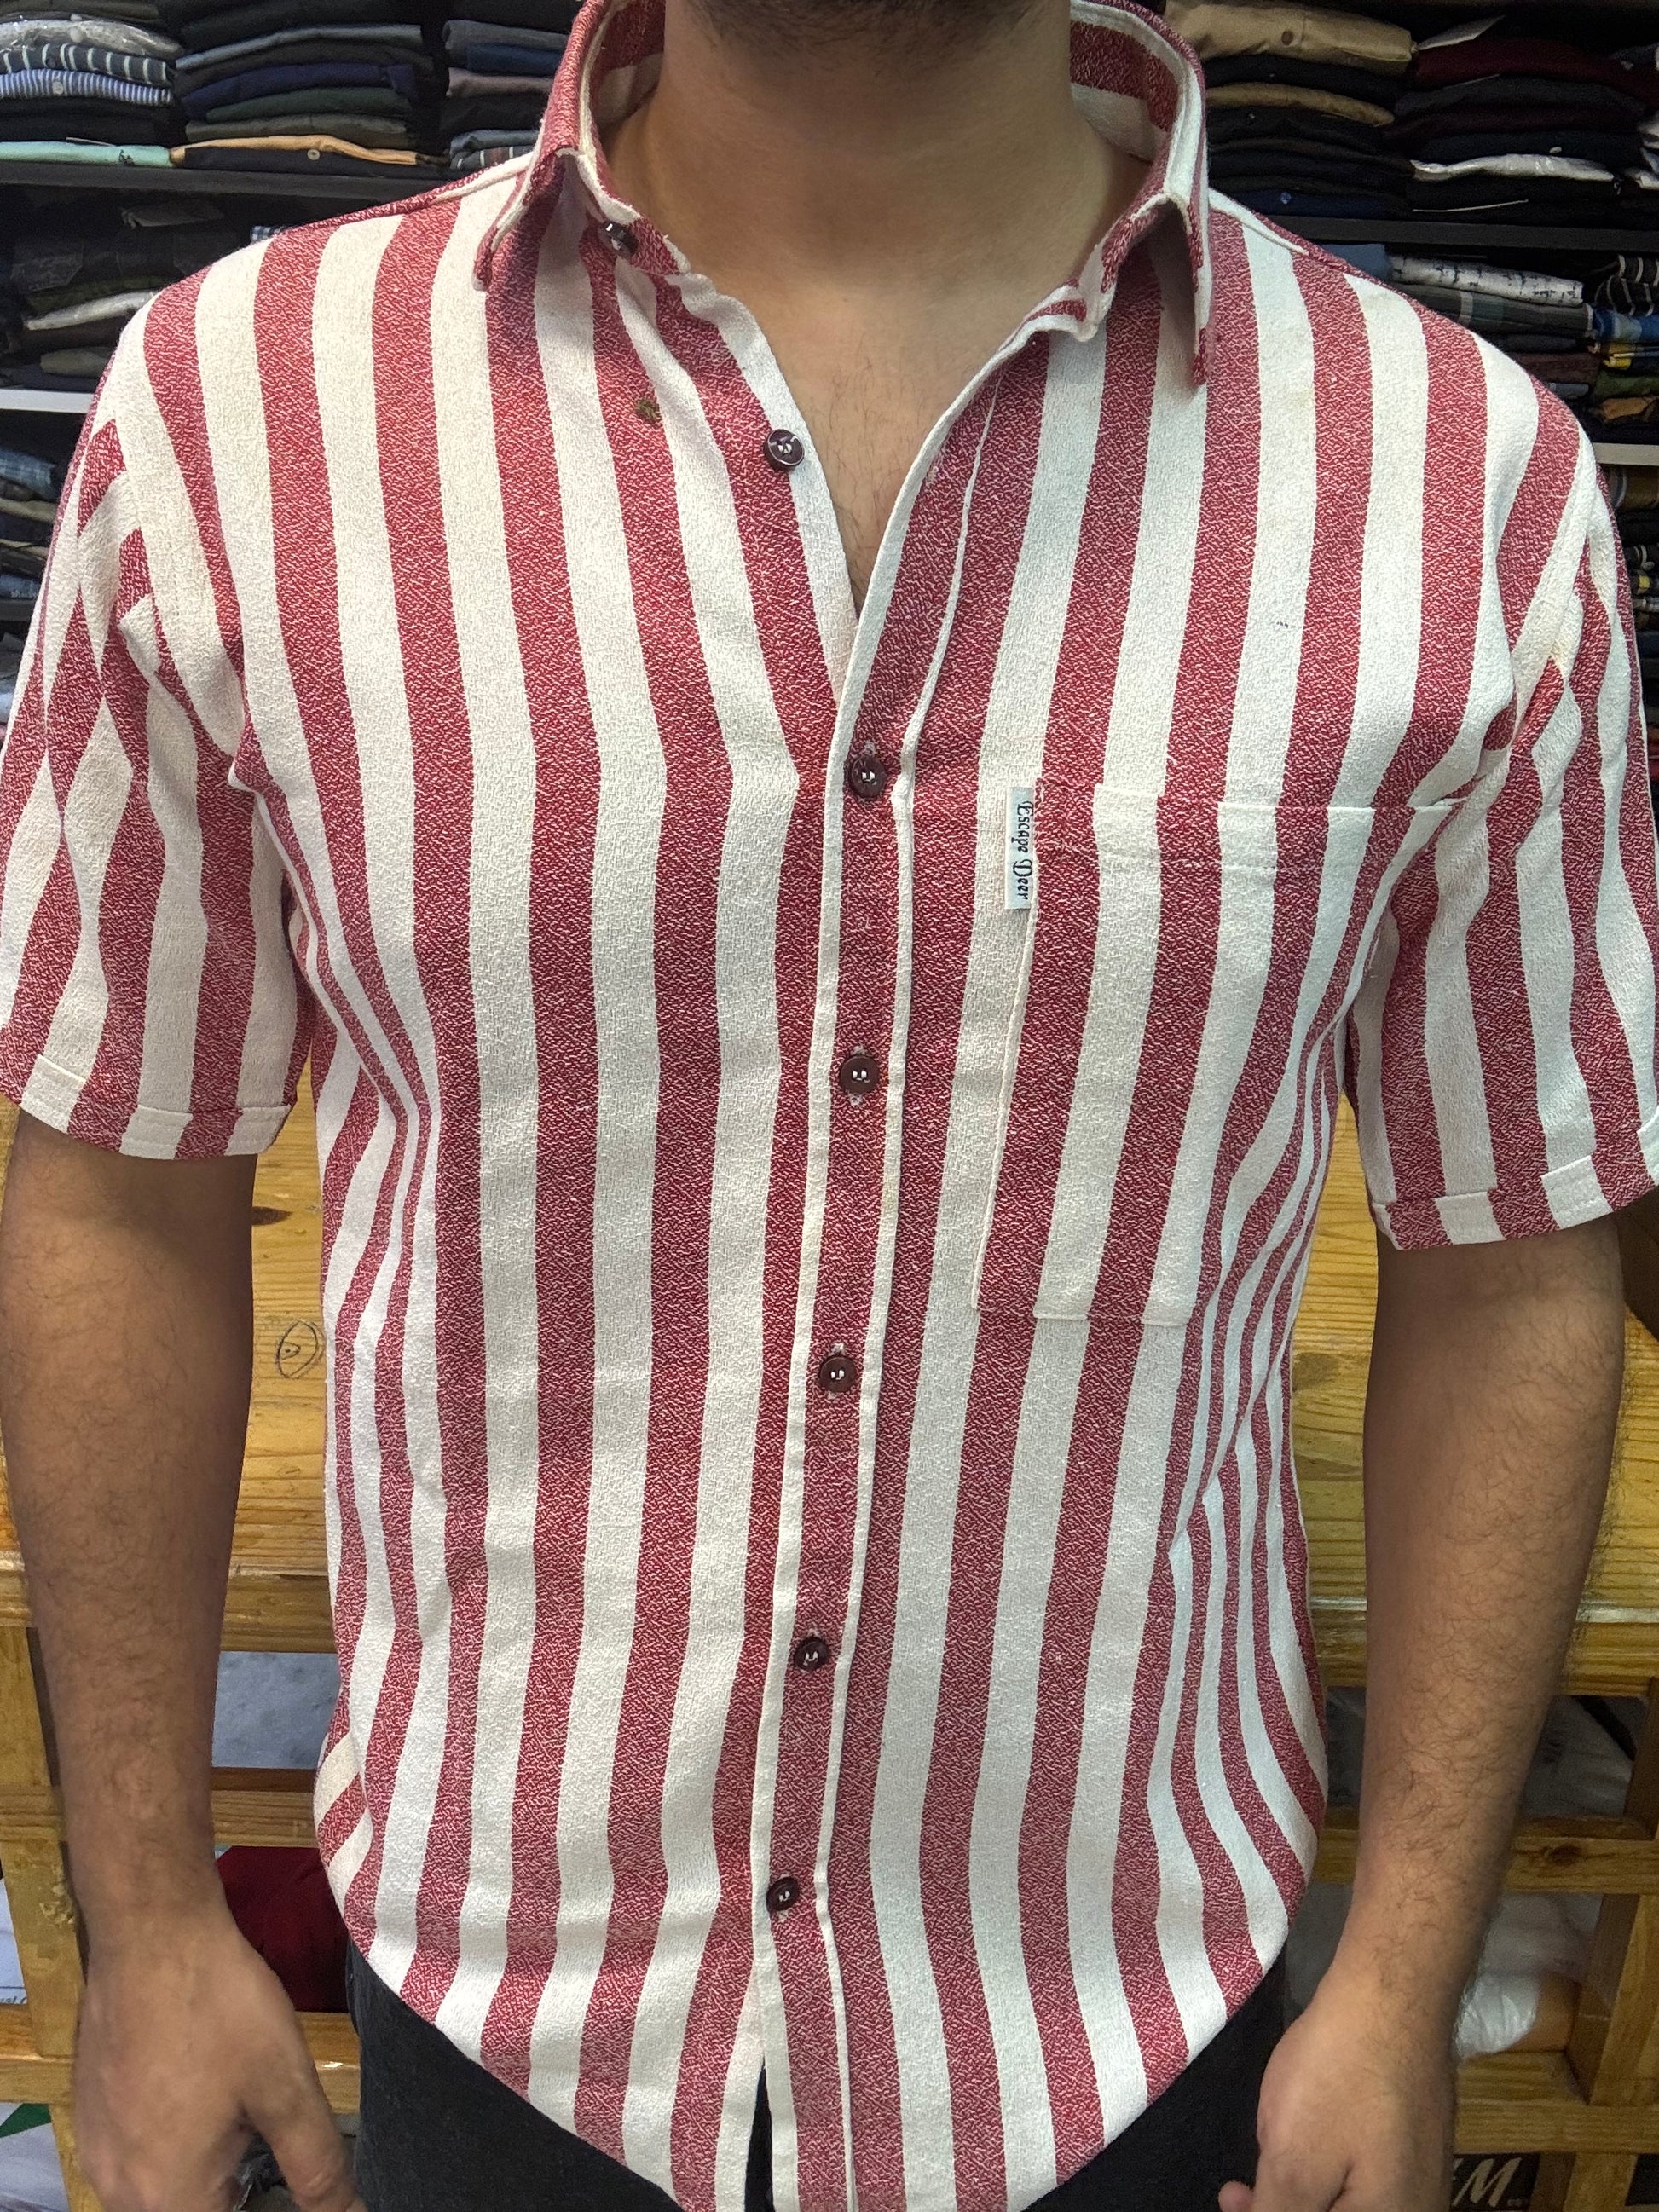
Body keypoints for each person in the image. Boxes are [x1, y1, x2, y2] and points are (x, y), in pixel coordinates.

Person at [0, 0, 1652, 2205]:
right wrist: (140, 1913)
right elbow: (116, 1180)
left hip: (1118, 2009)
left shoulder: (1466, 495)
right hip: (508, 1992)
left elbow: (1516, 1260)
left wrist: (1406, 1964)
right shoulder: (236, 422)